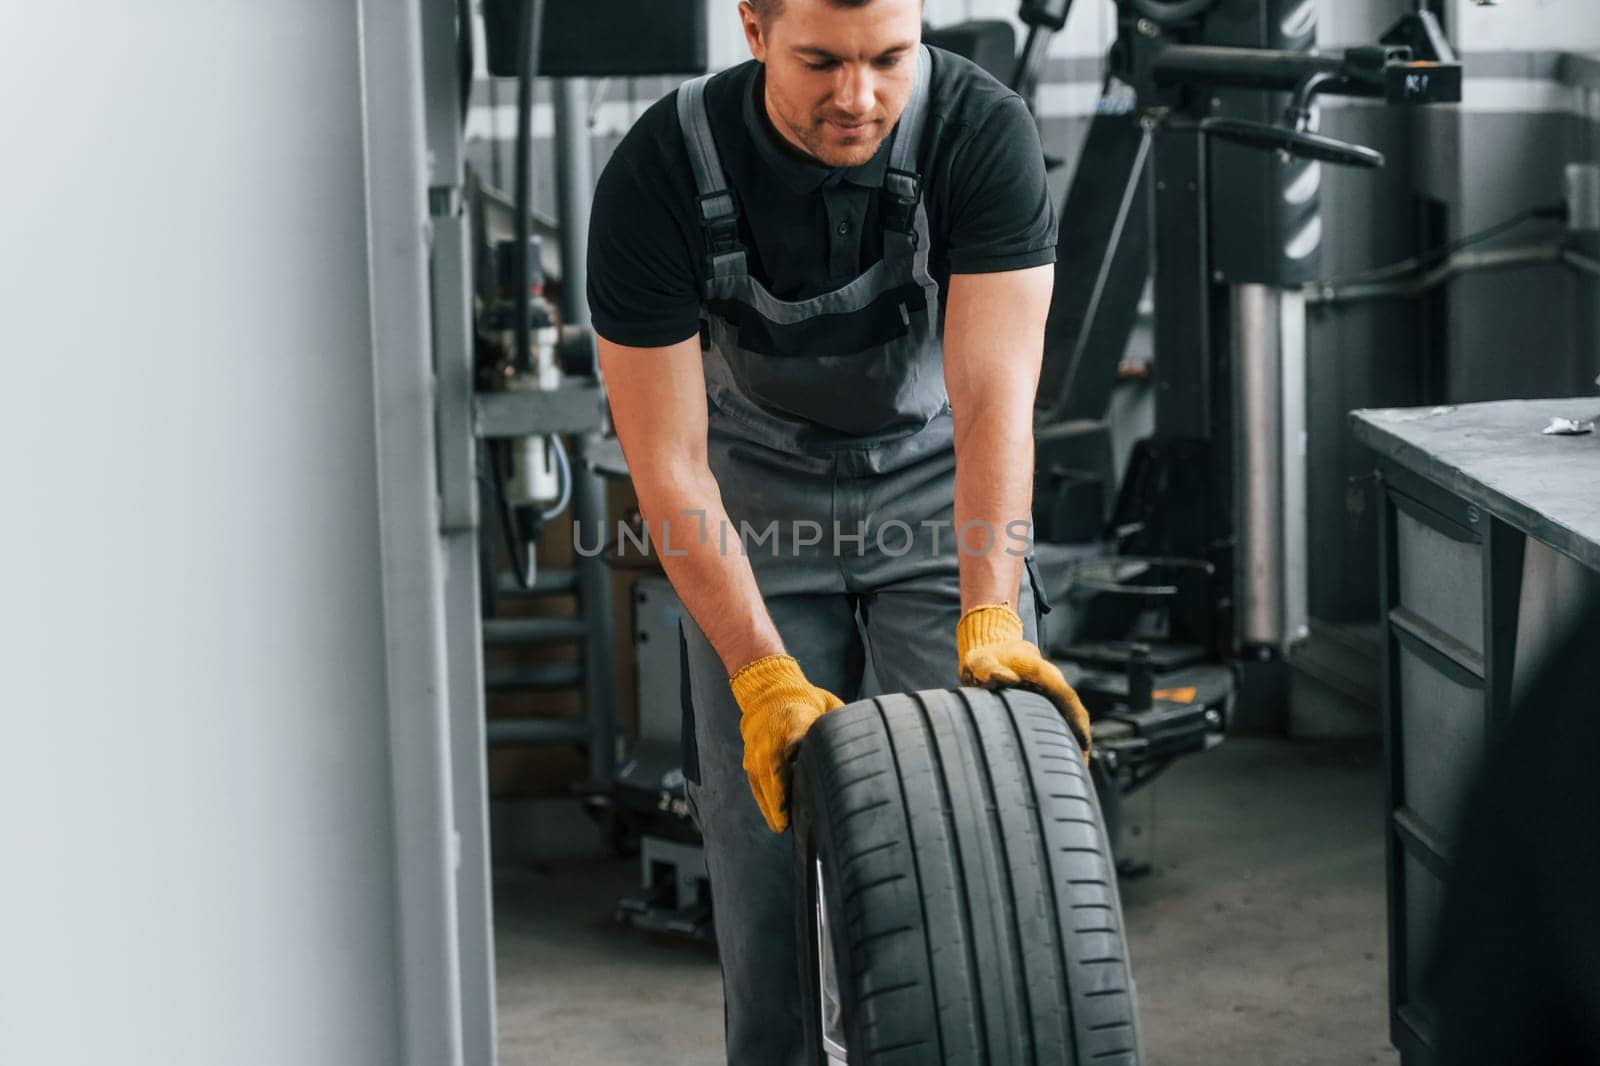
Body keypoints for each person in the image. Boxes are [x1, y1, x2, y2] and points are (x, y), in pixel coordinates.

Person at [587, 1, 1092, 1060]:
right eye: (820, 60)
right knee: (764, 864)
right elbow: (668, 463)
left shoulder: (977, 133)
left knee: (973, 831)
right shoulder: (661, 168)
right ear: (755, 27)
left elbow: (996, 399)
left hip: (936, 493)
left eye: (887, 59)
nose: (857, 97)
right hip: (752, 511)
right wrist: (761, 675)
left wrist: (992, 610)